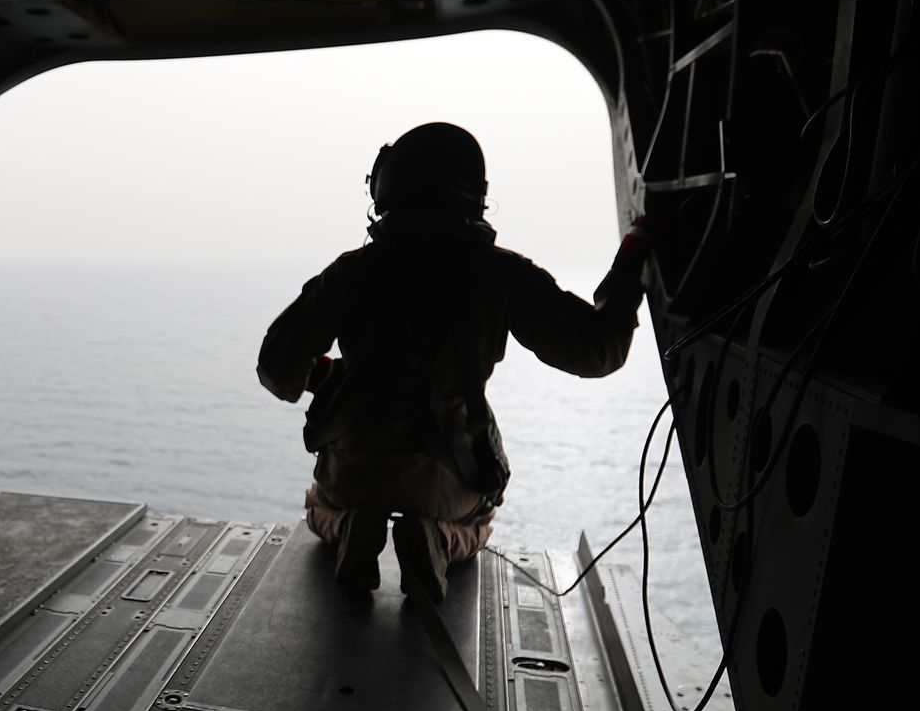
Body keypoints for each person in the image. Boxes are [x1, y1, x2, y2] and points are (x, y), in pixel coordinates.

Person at [257, 122, 652, 600]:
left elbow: (276, 368)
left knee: (321, 509)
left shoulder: (350, 272)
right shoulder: (503, 274)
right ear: (474, 197)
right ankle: (440, 539)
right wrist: (631, 258)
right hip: (449, 476)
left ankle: (348, 527)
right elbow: (596, 351)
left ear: (388, 188)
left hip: (354, 473)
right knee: (478, 521)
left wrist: (330, 376)